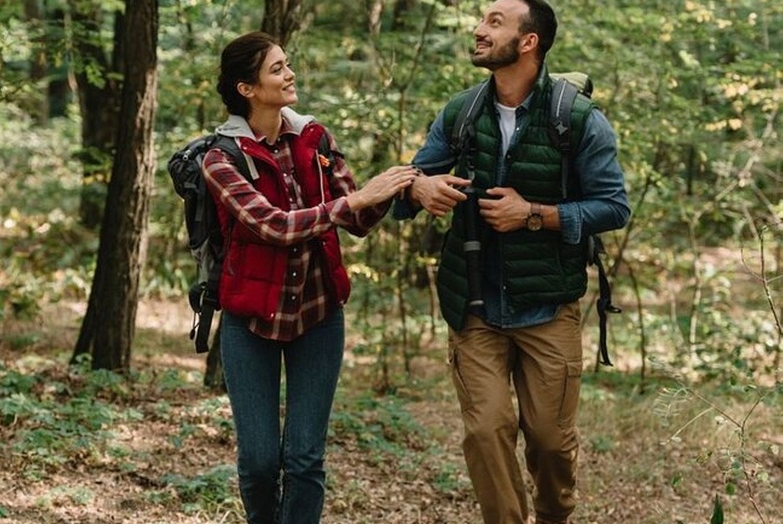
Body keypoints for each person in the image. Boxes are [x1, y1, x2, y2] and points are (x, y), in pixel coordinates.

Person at [393, 1, 631, 523]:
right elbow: (405, 188)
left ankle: (552, 517)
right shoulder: (462, 112)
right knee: (486, 430)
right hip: (473, 303)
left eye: (494, 22)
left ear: (529, 42)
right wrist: (419, 185)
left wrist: (534, 215)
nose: (479, 30)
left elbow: (614, 207)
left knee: (549, 441)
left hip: (548, 305)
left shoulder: (577, 118)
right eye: (481, 20)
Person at [203, 32, 416, 524]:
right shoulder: (220, 159)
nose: (290, 74)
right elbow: (274, 226)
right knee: (258, 463)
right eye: (276, 69)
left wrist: (399, 184)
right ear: (246, 88)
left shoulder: (315, 138)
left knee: (304, 459)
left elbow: (357, 222)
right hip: (250, 323)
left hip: (318, 318)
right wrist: (357, 199)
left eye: (287, 64)